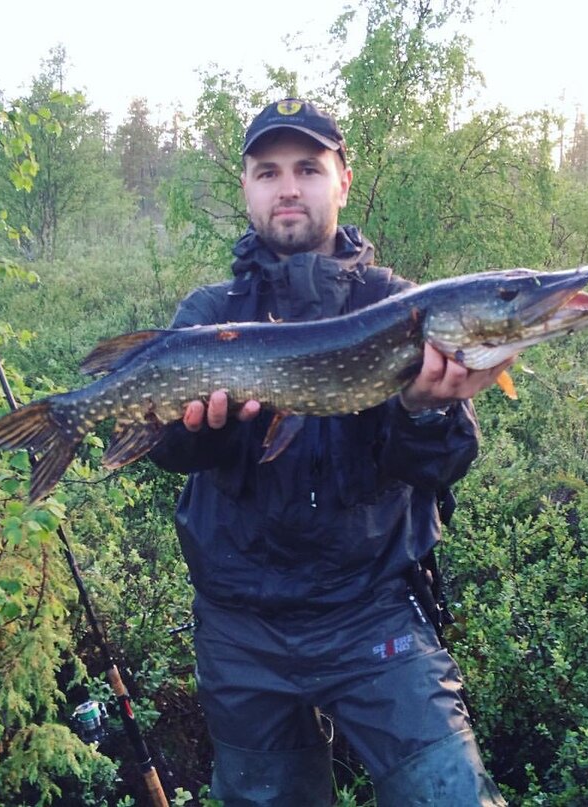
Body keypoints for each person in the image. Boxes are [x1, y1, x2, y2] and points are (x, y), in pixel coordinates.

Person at [148, 99, 509, 806]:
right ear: (246, 189)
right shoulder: (208, 314)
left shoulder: (403, 305)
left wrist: (424, 408)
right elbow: (168, 449)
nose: (288, 186)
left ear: (341, 181)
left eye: (308, 168)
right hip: (240, 627)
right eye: (268, 171)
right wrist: (202, 428)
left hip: (371, 613)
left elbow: (442, 464)